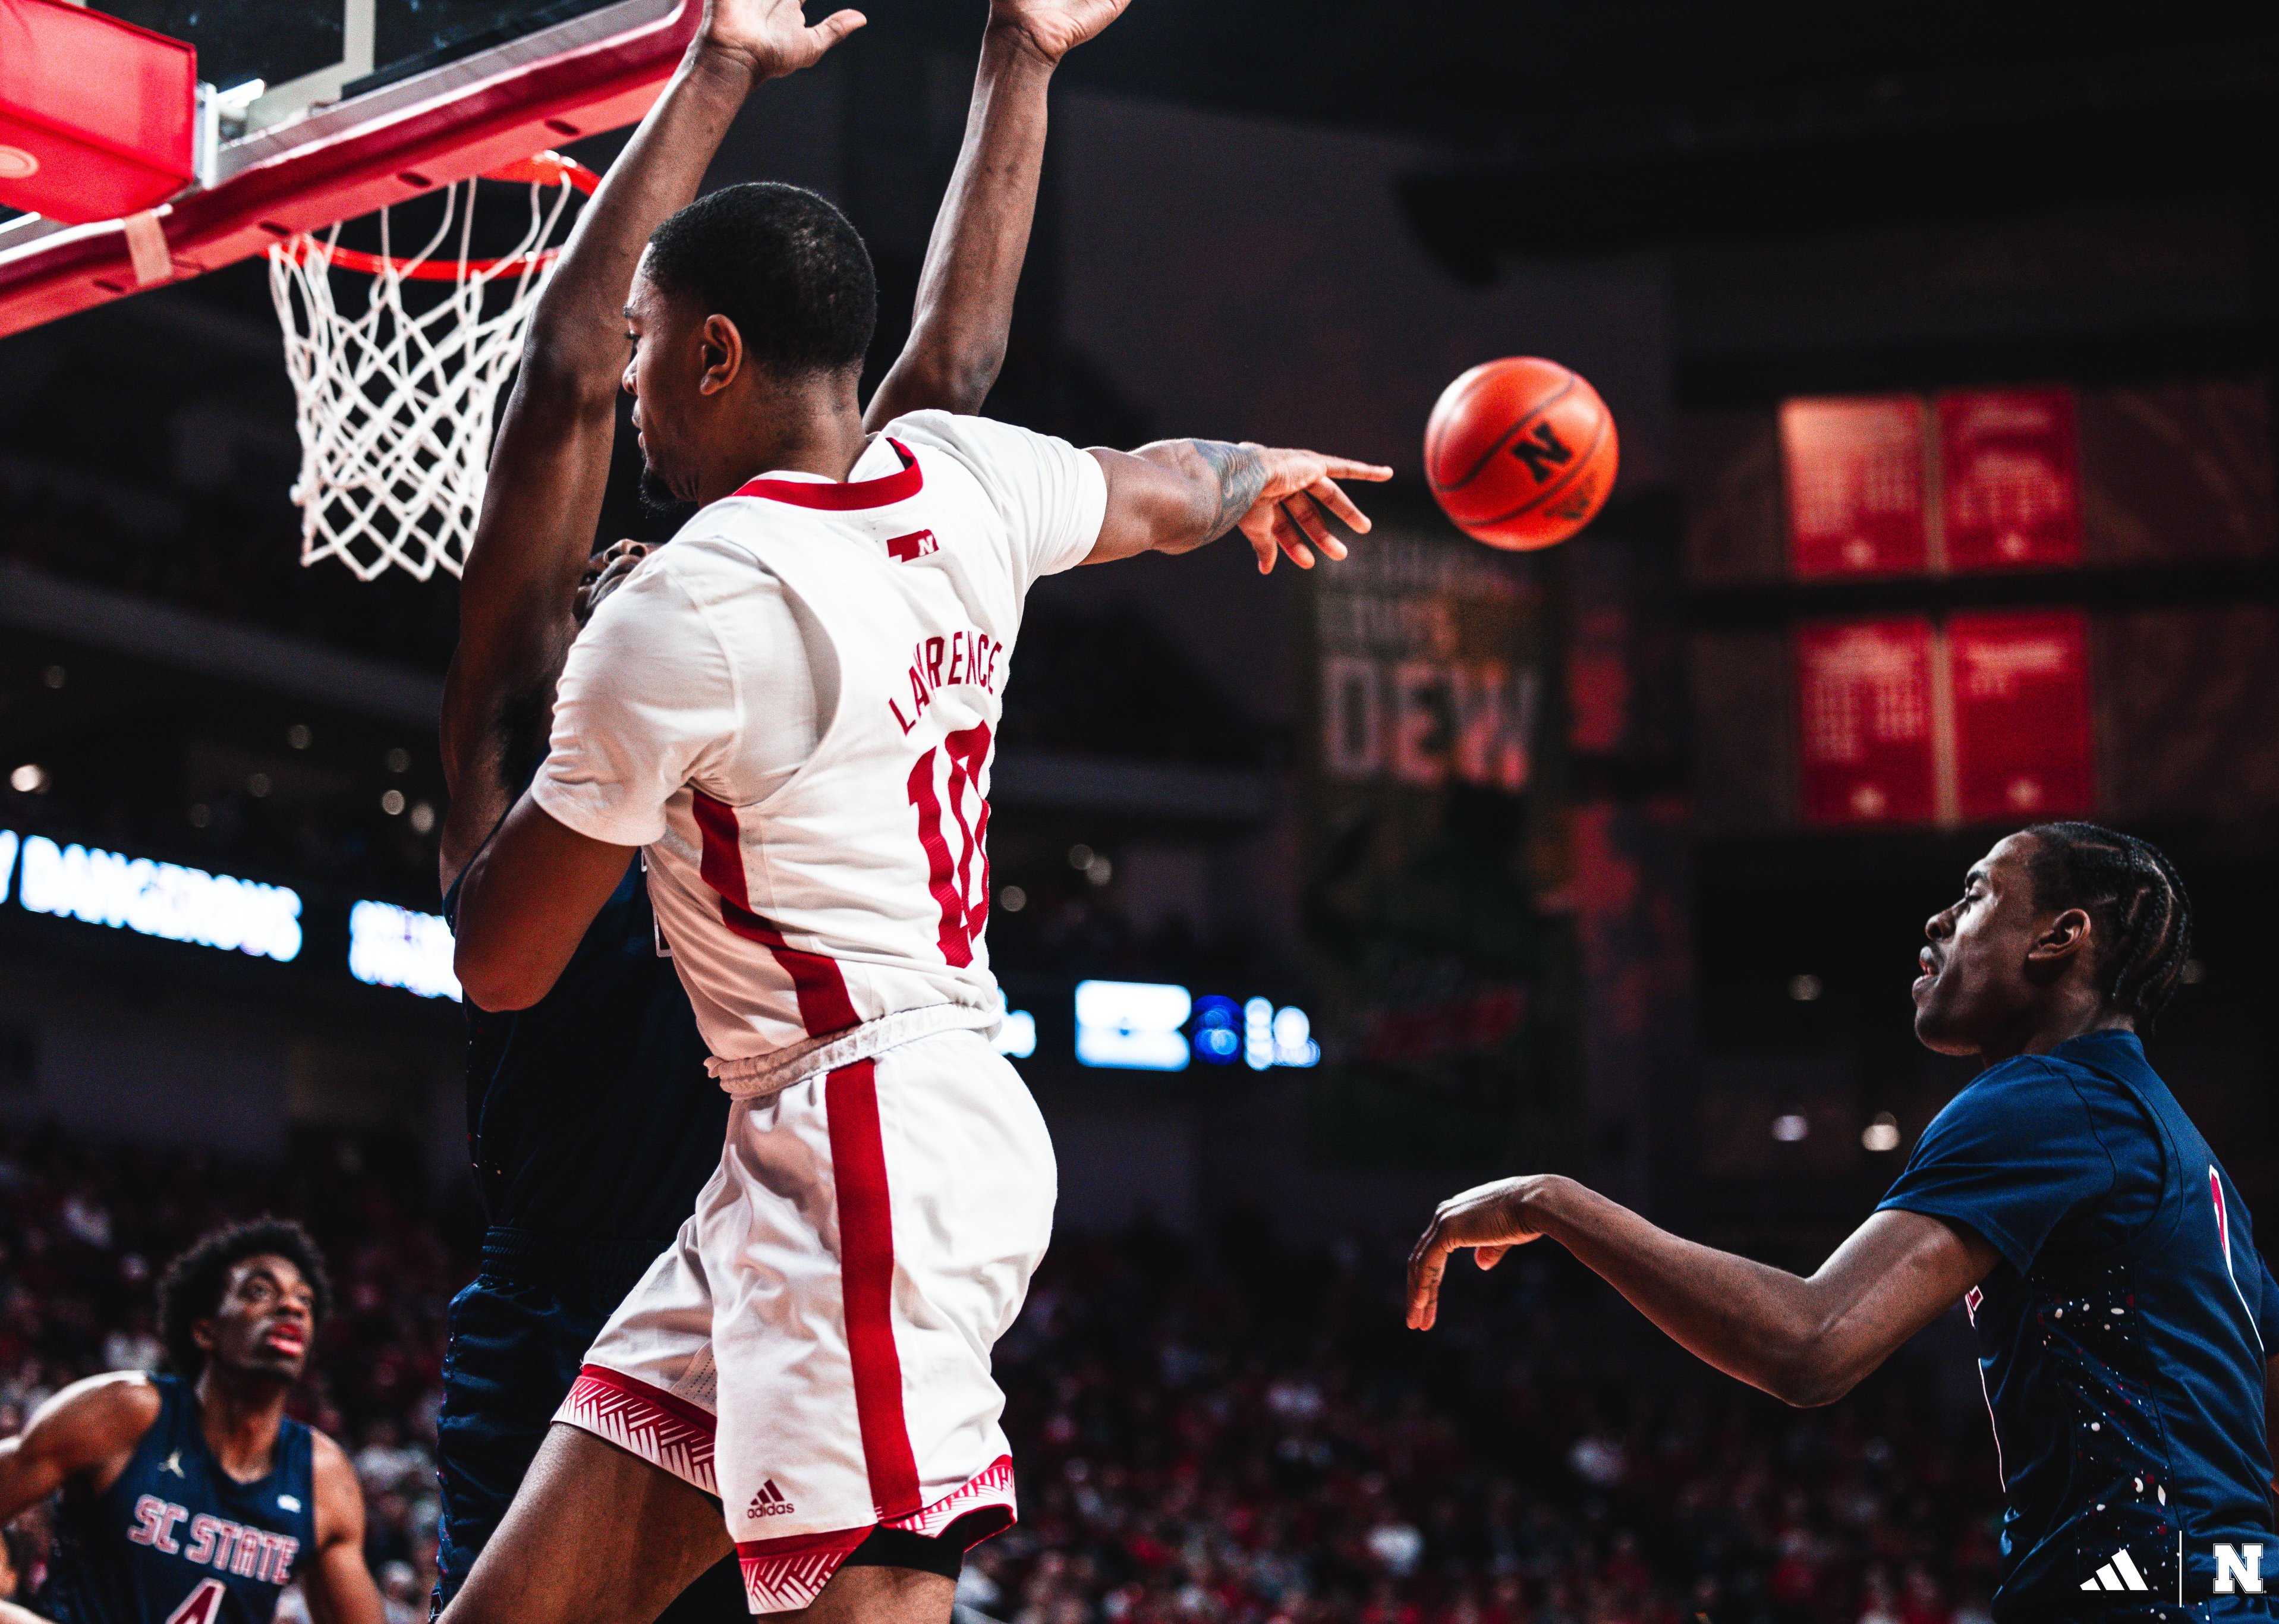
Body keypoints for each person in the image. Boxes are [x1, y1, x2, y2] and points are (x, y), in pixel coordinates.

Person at [440, 3, 1388, 1618]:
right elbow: (1145, 471)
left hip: (866, 1136)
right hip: (781, 1165)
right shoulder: (950, 483)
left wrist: (752, 69)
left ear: (714, 353)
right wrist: (1251, 465)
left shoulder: (684, 620)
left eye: (658, 349)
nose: (638, 391)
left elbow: (496, 962)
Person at [1408, 823, 2279, 1624]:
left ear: (2060, 936)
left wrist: (1554, 1200)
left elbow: (1809, 1344)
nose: (1938, 918)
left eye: (1976, 893)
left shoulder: (2044, 1099)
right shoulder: (2188, 1165)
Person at [0, 1220, 384, 1624]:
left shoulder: (322, 1476)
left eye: (304, 1301)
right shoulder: (124, 1413)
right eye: (260, 1291)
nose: (292, 1307)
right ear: (206, 1330)